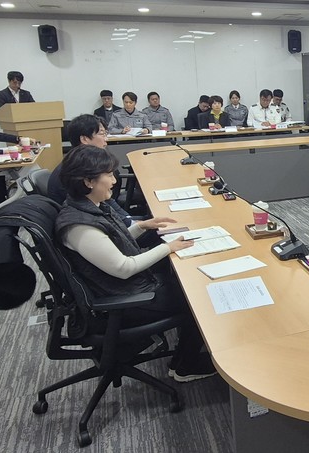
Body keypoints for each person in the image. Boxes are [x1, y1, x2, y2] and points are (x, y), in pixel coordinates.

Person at [55, 145, 217, 382]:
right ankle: (185, 365)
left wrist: (142, 226)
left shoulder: (88, 206)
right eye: (108, 175)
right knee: (200, 297)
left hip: (127, 286)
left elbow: (110, 244)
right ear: (88, 181)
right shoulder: (80, 227)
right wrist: (168, 247)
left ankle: (183, 357)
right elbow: (123, 268)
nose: (114, 181)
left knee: (184, 276)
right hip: (124, 298)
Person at [47, 114, 133, 223]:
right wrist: (131, 224)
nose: (106, 139)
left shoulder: (85, 162)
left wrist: (128, 219)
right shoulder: (76, 171)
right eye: (102, 134)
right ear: (84, 139)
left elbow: (107, 202)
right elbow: (99, 212)